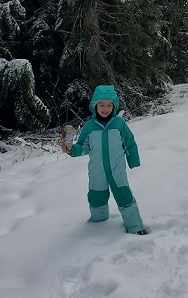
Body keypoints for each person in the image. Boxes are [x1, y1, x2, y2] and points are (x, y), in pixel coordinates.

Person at [62, 84, 149, 235]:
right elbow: (83, 146)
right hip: (97, 171)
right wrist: (71, 150)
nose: (105, 108)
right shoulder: (89, 127)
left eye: (109, 105)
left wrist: (133, 159)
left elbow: (129, 142)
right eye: (101, 104)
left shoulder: (119, 124)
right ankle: (99, 226)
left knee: (124, 196)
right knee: (96, 197)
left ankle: (135, 227)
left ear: (114, 106)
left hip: (117, 170)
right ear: (94, 106)